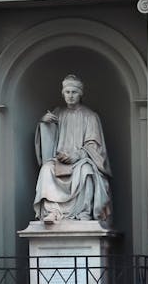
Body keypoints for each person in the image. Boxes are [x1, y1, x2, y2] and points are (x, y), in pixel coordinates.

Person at [32, 74, 112, 225]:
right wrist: (44, 123)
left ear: (80, 94)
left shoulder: (90, 116)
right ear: (63, 94)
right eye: (67, 92)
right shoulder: (57, 114)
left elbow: (94, 145)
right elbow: (46, 140)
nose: (70, 96)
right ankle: (53, 211)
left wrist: (77, 155)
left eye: (74, 92)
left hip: (81, 160)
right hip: (59, 161)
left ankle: (83, 212)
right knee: (46, 170)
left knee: (87, 171)